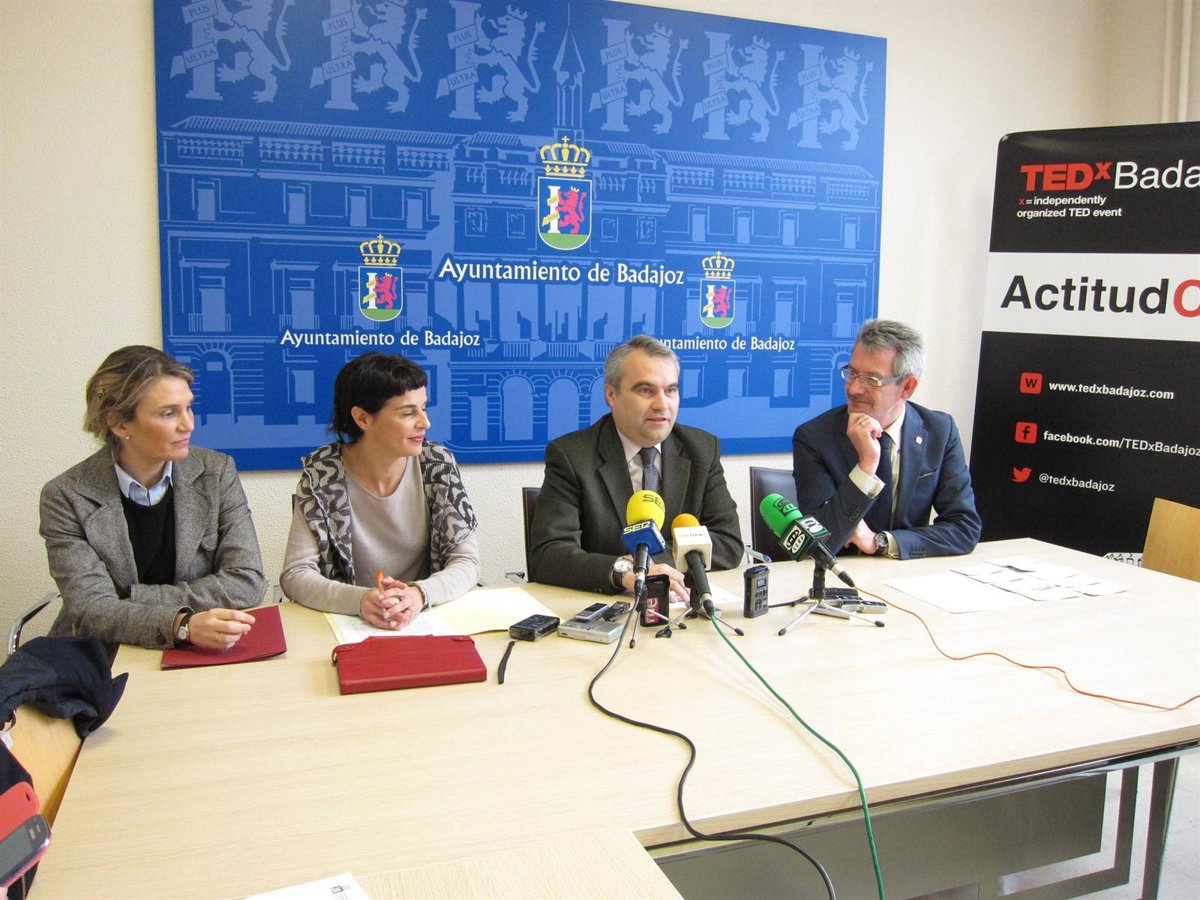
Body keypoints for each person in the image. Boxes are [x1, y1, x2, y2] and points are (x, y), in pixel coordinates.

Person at [39, 346, 265, 653]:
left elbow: (247, 581)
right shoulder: (66, 495)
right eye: (168, 413)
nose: (188, 424)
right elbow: (90, 610)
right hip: (102, 652)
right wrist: (180, 624)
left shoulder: (216, 472)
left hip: (201, 648)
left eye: (188, 407)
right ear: (119, 423)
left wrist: (132, 598)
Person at [529, 334, 743, 597]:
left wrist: (651, 566)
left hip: (684, 602)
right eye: (645, 390)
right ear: (611, 394)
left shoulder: (702, 449)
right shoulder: (572, 456)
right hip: (612, 605)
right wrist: (623, 572)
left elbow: (729, 542)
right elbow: (548, 555)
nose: (662, 404)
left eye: (670, 390)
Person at [281, 353, 480, 630]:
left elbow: (466, 561)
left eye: (424, 408)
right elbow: (296, 573)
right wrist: (361, 600)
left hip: (426, 619)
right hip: (349, 625)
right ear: (363, 418)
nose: (425, 423)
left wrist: (418, 594)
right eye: (408, 413)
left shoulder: (437, 464)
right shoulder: (322, 474)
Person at [791, 319, 981, 559]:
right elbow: (821, 542)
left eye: (872, 380)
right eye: (852, 373)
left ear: (907, 387)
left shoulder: (940, 431)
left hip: (909, 573)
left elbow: (964, 529)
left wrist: (881, 542)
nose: (854, 389)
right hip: (842, 573)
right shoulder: (814, 437)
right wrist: (866, 466)